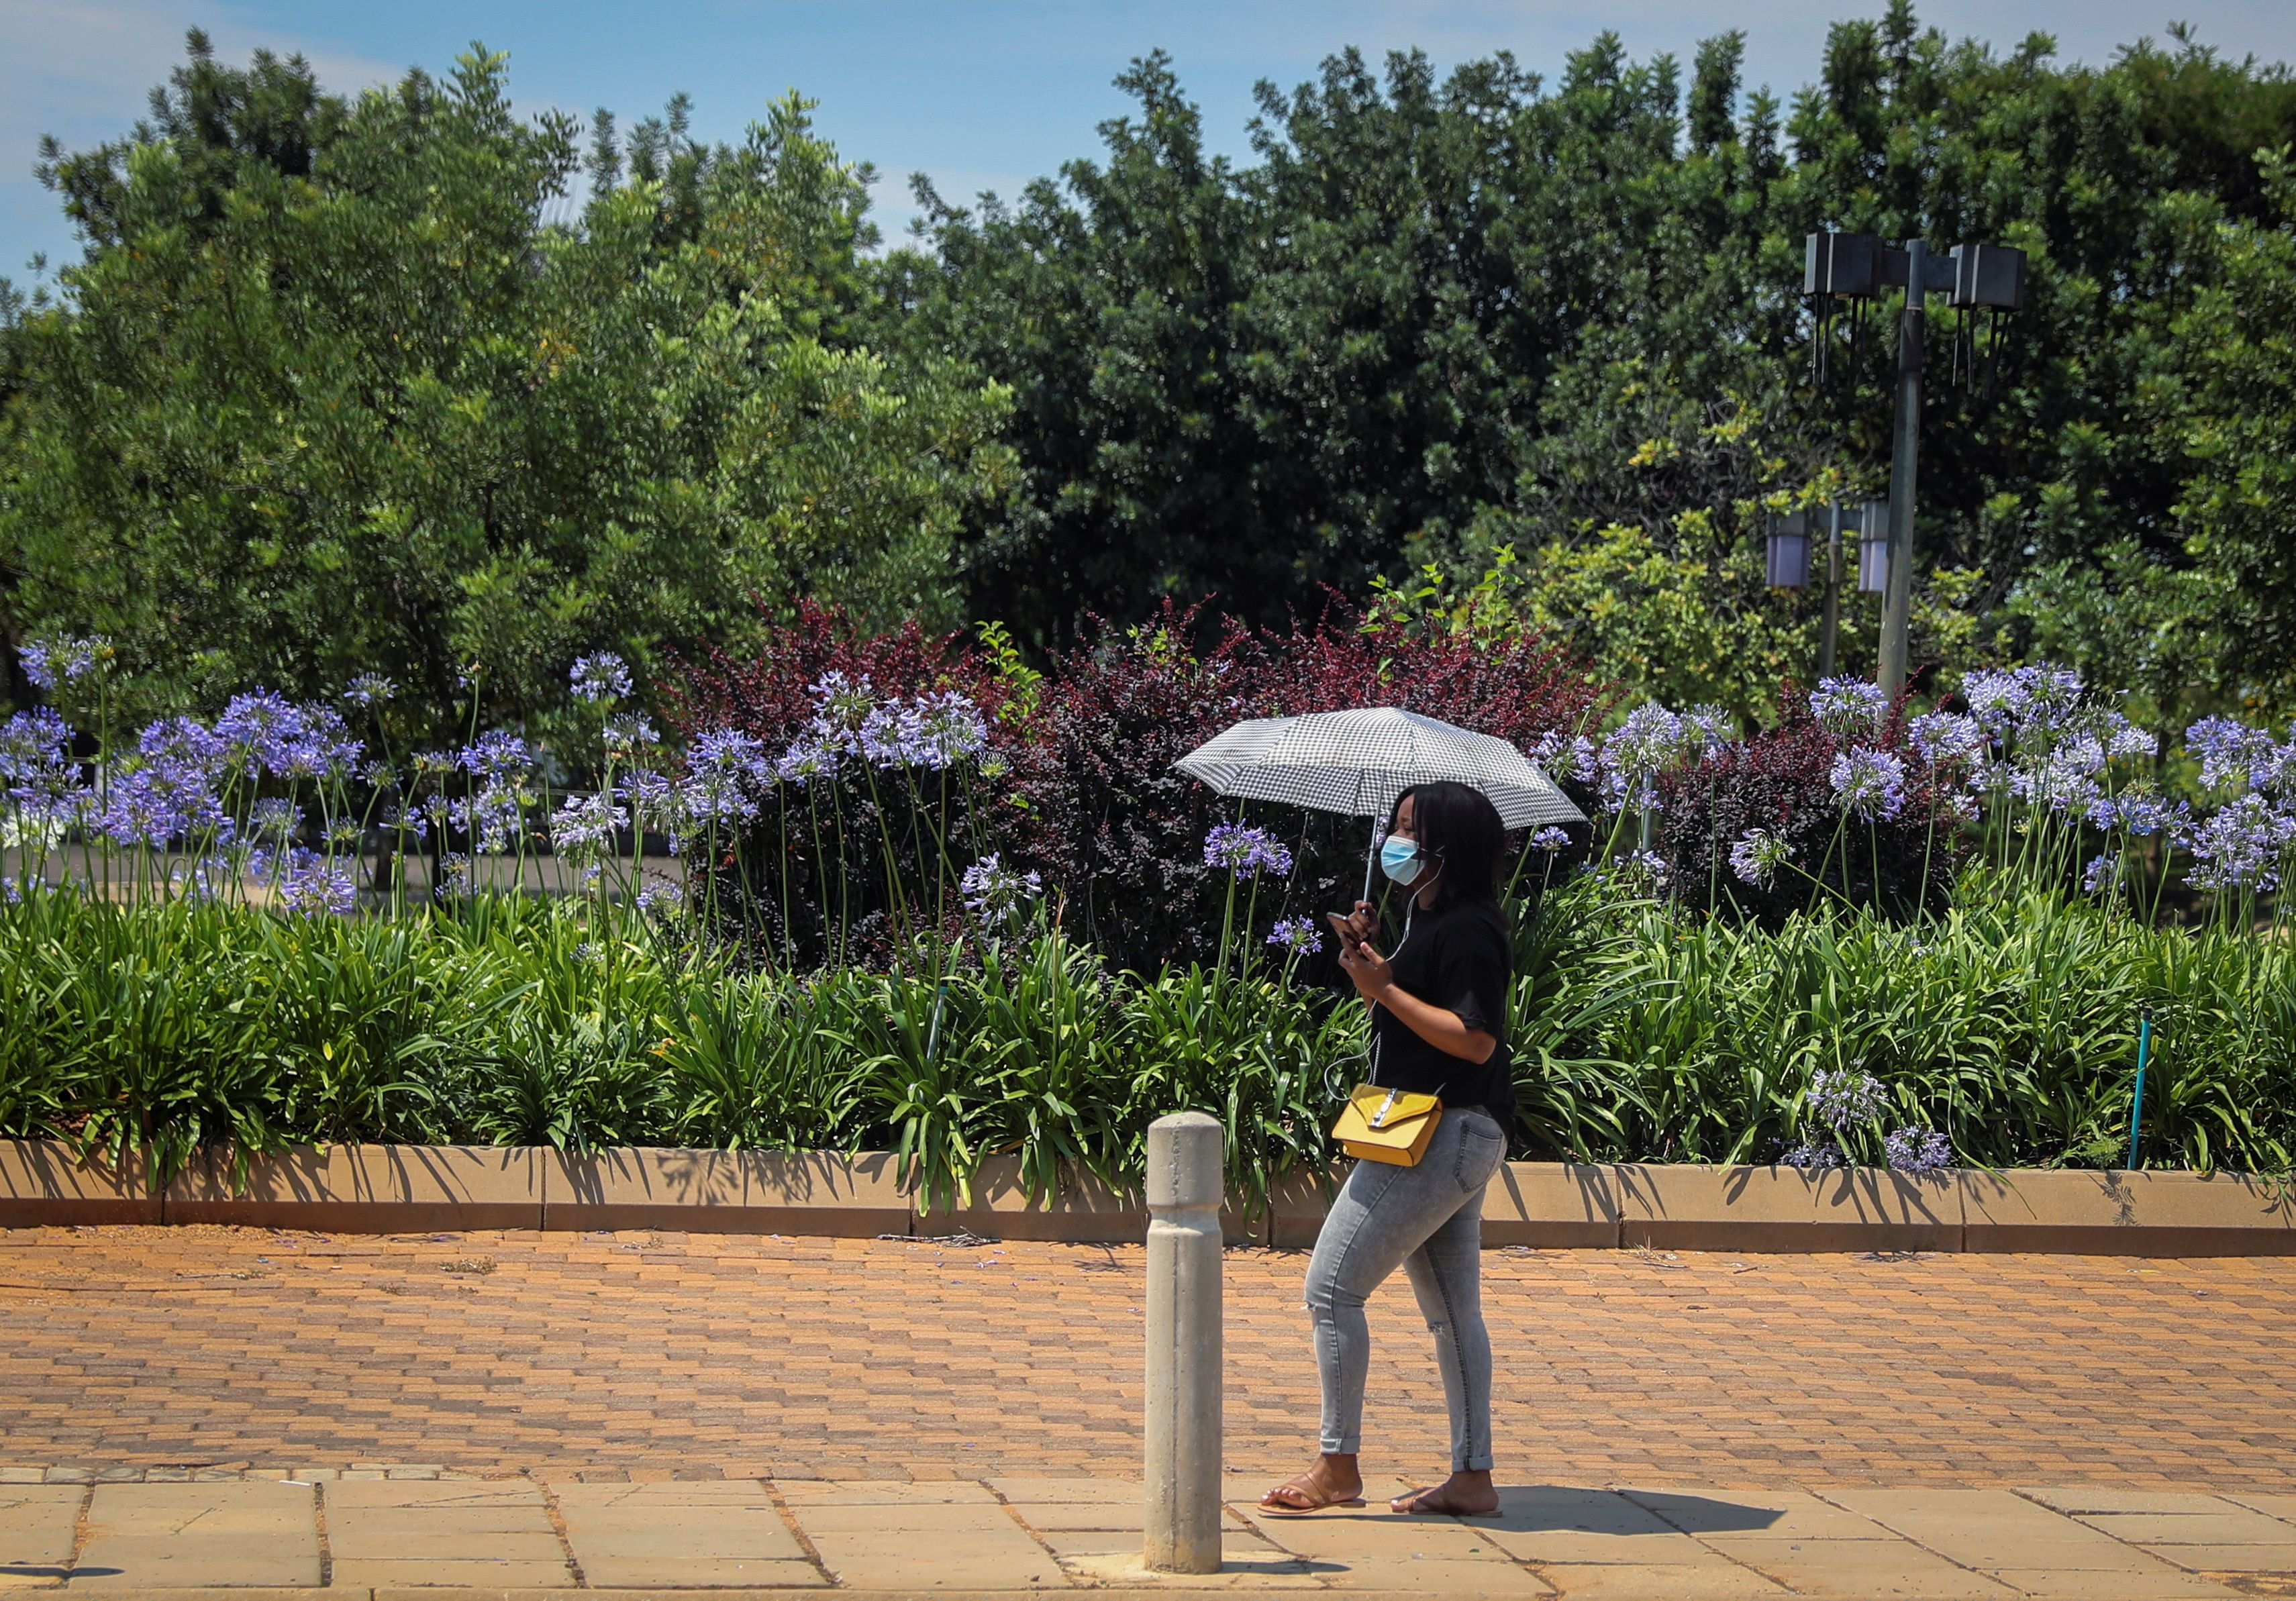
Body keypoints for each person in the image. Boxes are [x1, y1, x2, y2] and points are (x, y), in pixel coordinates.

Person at [1260, 780, 1514, 1519]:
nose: (1394, 844)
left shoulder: (1470, 927)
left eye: (1411, 832)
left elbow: (1473, 1039)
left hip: (1440, 1129)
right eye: (1394, 827)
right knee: (1451, 1314)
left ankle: (1337, 1466)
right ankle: (1472, 1476)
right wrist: (1371, 964)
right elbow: (1406, 1018)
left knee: (1331, 1289)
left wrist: (1387, 988)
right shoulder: (1424, 918)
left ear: (1448, 850)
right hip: (1446, 1130)